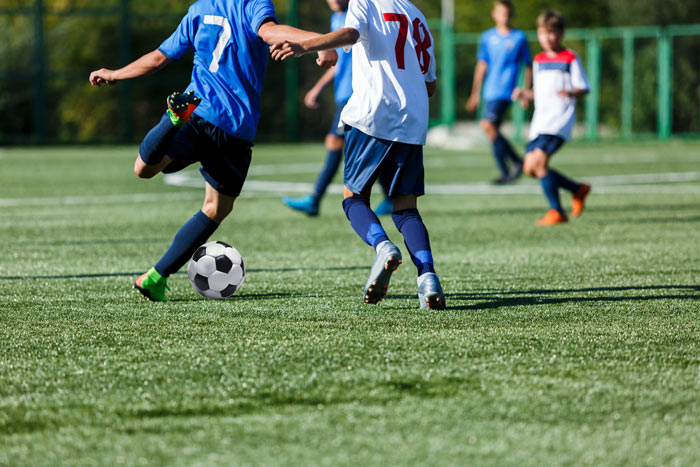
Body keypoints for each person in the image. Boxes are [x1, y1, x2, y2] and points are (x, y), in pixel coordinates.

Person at [89, 0, 337, 301]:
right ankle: (155, 277)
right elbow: (270, 32)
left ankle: (171, 119)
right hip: (234, 127)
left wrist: (115, 74)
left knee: (144, 168)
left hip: (195, 112)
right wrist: (316, 42)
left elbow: (157, 59)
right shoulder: (253, 4)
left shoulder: (199, 9)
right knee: (216, 208)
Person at [271, 0, 445, 309]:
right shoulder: (417, 15)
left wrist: (305, 47)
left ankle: (383, 247)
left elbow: (351, 34)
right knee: (406, 210)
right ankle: (427, 276)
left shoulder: (364, 2)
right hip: (414, 118)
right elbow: (430, 85)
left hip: (374, 113)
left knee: (353, 198)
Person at [282, 0, 392, 217]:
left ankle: (315, 198)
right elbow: (339, 61)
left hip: (357, 94)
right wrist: (317, 88)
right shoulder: (336, 19)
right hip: (344, 94)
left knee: (338, 142)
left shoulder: (358, 15)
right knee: (368, 145)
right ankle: (389, 197)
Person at [512, 10, 591, 226]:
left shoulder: (570, 57)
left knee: (538, 162)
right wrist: (524, 94)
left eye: (552, 33)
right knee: (530, 168)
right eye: (543, 33)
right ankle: (577, 189)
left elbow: (584, 87)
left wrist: (571, 92)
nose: (548, 38)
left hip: (559, 120)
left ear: (561, 33)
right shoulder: (538, 60)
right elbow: (538, 91)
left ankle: (557, 211)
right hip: (541, 122)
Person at [466, 0, 532, 184]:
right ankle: (511, 168)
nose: (505, 16)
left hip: (507, 91)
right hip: (490, 90)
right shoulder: (487, 37)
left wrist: (526, 91)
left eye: (508, 13)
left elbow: (528, 65)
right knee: (491, 130)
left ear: (512, 15)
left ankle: (515, 164)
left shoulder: (519, 37)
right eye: (501, 12)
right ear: (494, 15)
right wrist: (475, 93)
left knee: (487, 125)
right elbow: (482, 65)